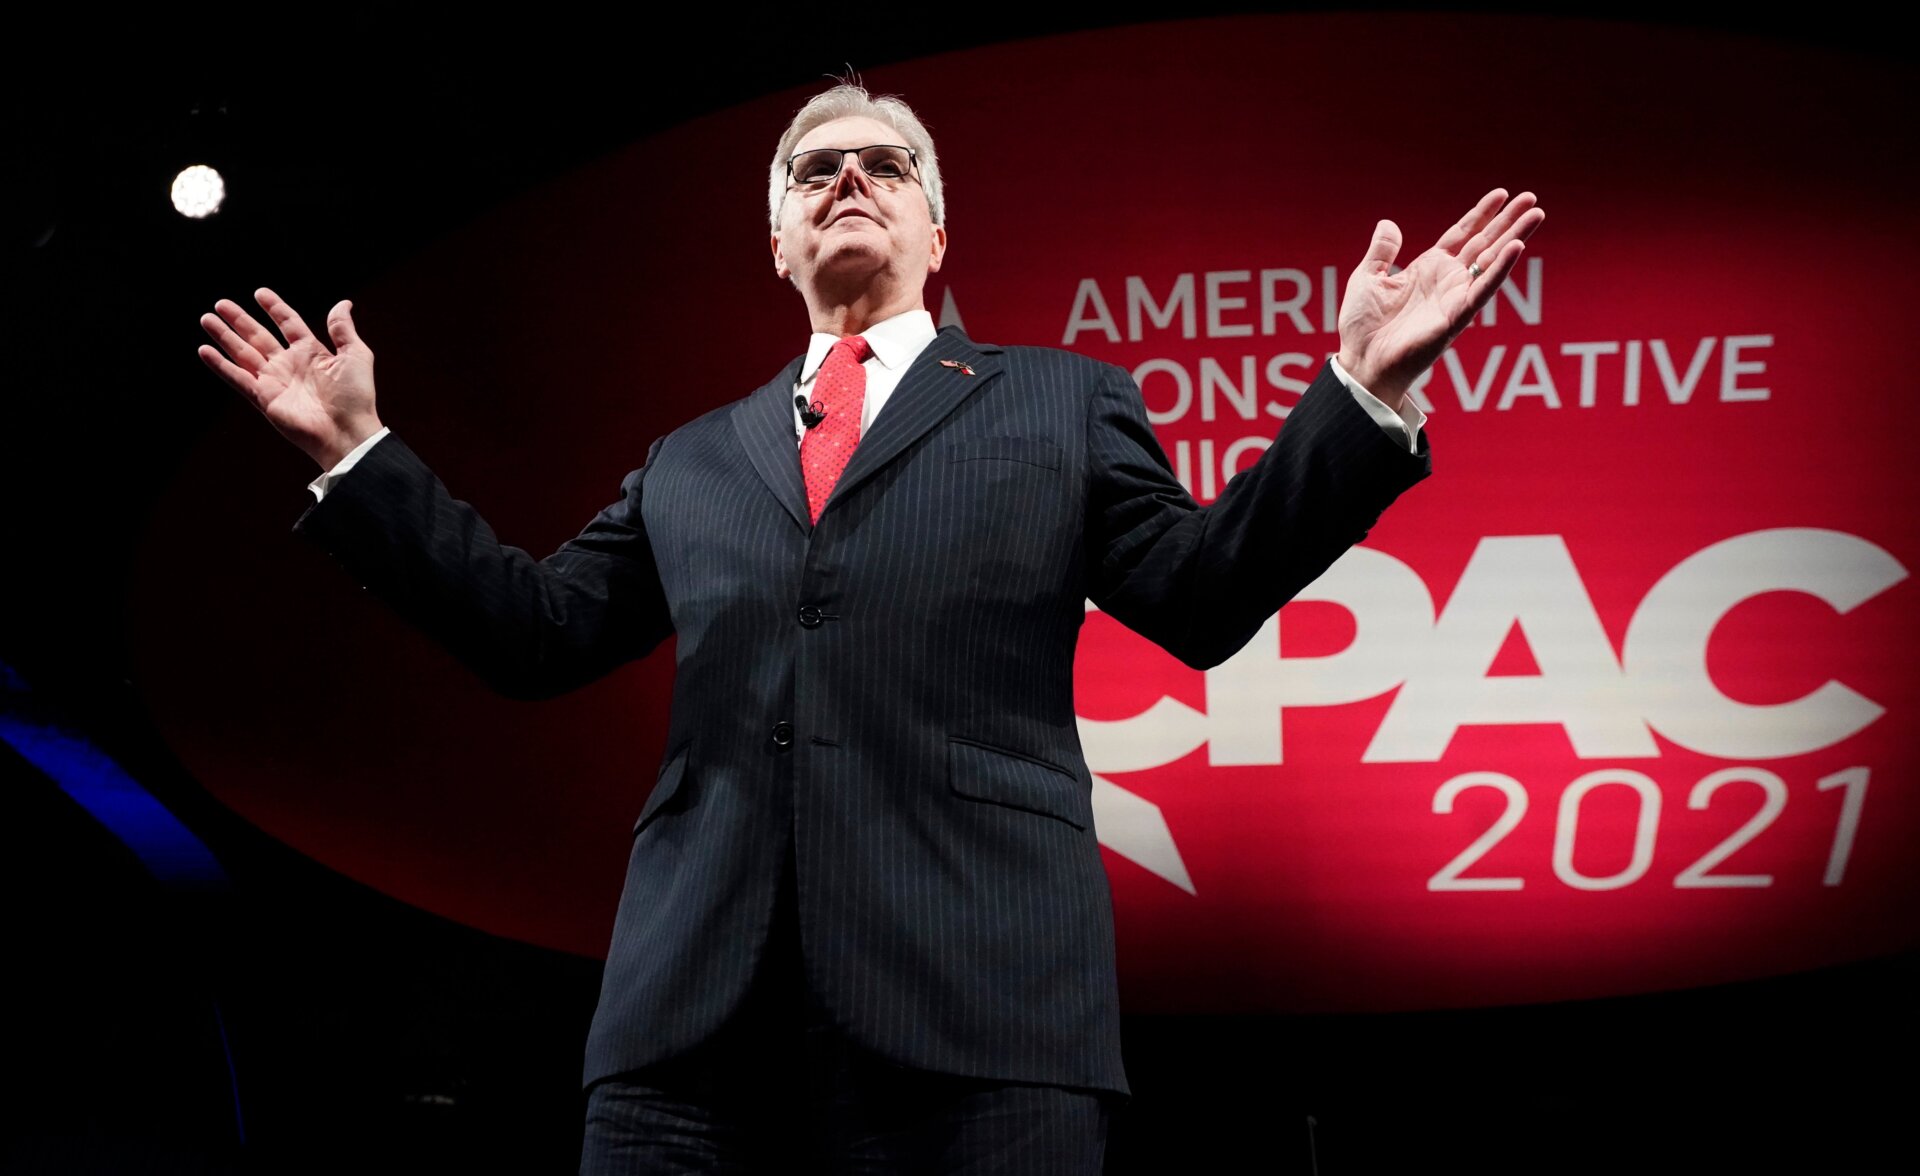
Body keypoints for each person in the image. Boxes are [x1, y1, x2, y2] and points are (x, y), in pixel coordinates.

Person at [197, 83, 1541, 1174]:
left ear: (939, 236)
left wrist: (1363, 393)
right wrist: (361, 459)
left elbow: (1202, 595)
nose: (847, 177)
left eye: (886, 165)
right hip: (688, 1049)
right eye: (812, 169)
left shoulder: (1062, 405)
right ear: (776, 241)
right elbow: (535, 635)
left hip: (984, 1028)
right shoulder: (693, 461)